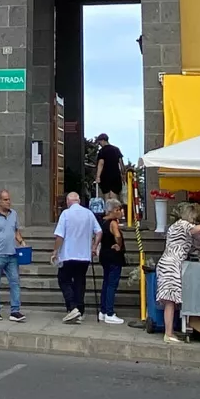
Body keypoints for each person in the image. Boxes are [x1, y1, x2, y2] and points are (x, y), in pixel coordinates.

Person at [156, 207, 200, 342]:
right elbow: (198, 230)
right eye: (195, 218)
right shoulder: (183, 224)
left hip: (168, 263)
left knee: (170, 299)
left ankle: (170, 332)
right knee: (170, 300)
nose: (195, 221)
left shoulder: (176, 226)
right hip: (171, 265)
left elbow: (189, 243)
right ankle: (168, 334)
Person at [53, 191, 101, 324]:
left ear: (68, 202)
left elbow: (59, 236)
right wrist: (94, 246)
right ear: (79, 201)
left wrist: (55, 251)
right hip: (84, 255)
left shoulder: (66, 214)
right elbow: (99, 232)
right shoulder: (89, 214)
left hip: (68, 254)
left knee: (63, 280)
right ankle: (80, 310)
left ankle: (73, 307)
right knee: (80, 282)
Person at [0, 188, 27, 321]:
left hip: (12, 254)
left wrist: (22, 241)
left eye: (9, 199)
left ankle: (15, 311)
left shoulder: (13, 214)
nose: (9, 202)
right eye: (5, 200)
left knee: (15, 282)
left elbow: (16, 231)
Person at [97, 196, 127, 325]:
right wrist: (119, 245)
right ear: (114, 210)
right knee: (112, 284)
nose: (121, 212)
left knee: (106, 282)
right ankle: (109, 312)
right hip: (113, 255)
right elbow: (118, 236)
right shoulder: (113, 223)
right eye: (119, 209)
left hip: (104, 254)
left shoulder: (102, 222)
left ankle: (103, 311)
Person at [92, 133, 125, 197]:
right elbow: (121, 163)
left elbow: (101, 163)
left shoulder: (102, 151)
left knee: (107, 197)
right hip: (116, 176)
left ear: (103, 140)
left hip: (105, 177)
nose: (100, 144)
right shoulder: (116, 149)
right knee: (114, 196)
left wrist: (98, 177)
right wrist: (123, 174)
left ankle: (108, 206)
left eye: (99, 142)